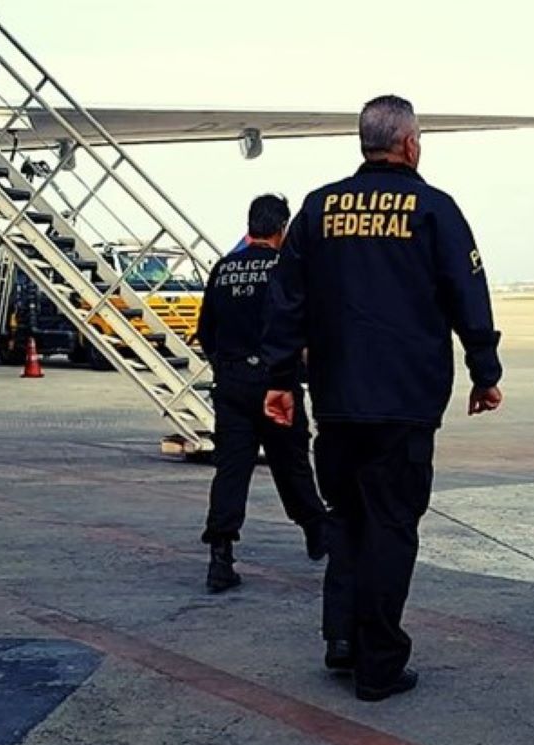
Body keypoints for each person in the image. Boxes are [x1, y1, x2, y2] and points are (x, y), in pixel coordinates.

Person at [262, 95, 503, 701]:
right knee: (393, 525)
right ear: (411, 144)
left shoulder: (318, 209)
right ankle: (379, 661)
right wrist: (484, 368)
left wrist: (279, 380)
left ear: (364, 142)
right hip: (405, 400)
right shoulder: (434, 209)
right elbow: (466, 293)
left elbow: (286, 301)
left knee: (347, 518)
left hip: (338, 398)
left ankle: (342, 638)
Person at [196, 194, 330, 593]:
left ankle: (220, 555)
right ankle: (316, 531)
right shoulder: (286, 267)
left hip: (233, 383)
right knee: (291, 463)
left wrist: (226, 365)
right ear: (281, 228)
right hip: (277, 381)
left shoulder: (223, 269)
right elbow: (302, 323)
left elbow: (207, 332)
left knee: (231, 470)